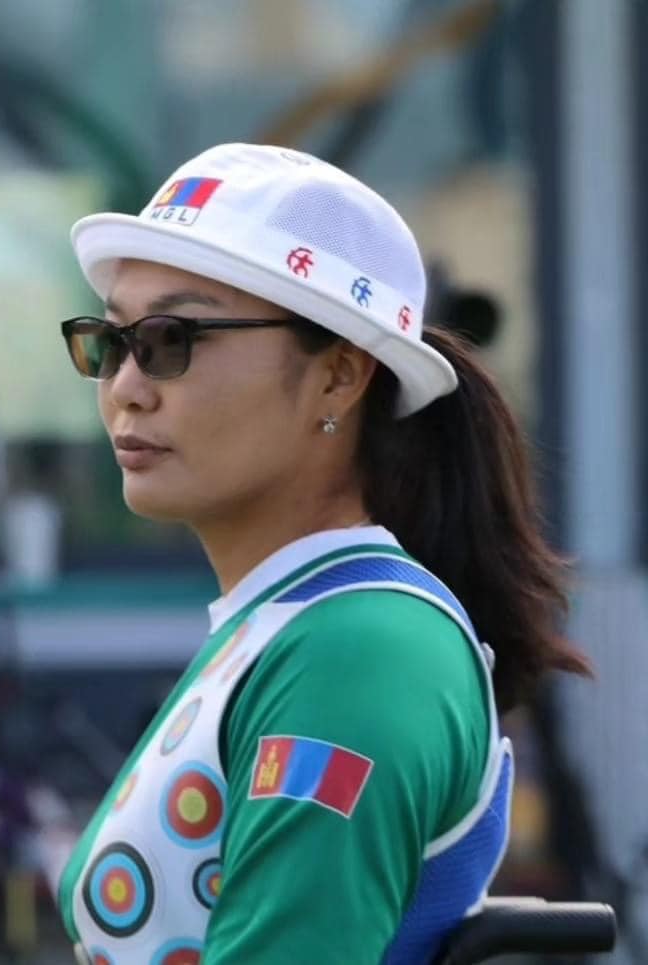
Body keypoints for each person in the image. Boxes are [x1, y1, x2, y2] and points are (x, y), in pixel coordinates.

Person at [51, 143, 590, 963]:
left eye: (170, 337)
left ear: (339, 376)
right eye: (110, 340)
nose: (125, 385)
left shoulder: (358, 651)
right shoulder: (294, 625)